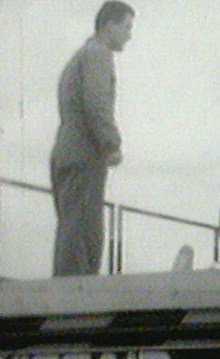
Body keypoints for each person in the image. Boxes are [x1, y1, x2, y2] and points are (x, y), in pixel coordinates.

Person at [50, 1, 135, 277]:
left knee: (72, 230)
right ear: (109, 26)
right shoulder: (98, 54)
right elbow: (97, 103)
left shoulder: (81, 55)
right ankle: (73, 307)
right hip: (84, 155)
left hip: (67, 152)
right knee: (83, 236)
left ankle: (66, 300)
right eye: (126, 27)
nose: (129, 34)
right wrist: (112, 144)